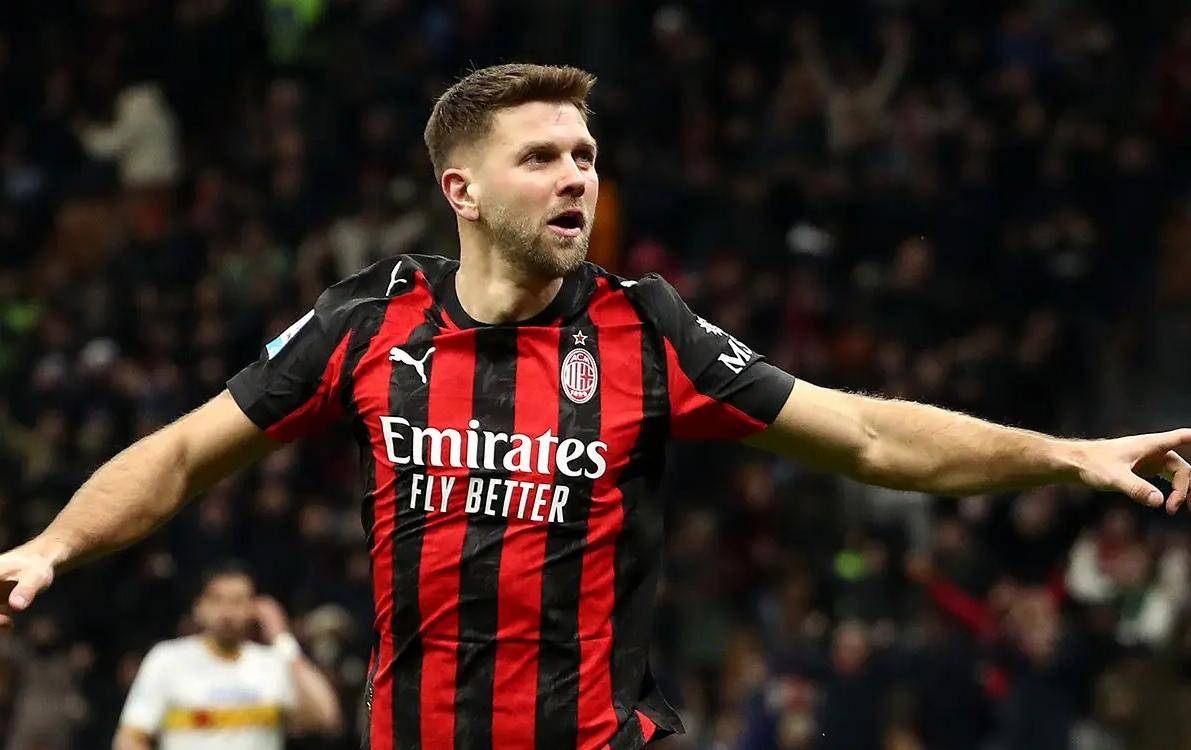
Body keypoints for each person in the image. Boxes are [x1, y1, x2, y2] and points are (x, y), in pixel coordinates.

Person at [0, 63, 1187, 749]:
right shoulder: (368, 321)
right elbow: (183, 454)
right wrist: (53, 544)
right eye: (542, 158)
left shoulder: (647, 328)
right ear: (462, 189)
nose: (576, 175)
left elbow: (869, 434)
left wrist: (1064, 454)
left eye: (585, 154)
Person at [112, 561, 342, 749]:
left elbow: (325, 717)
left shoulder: (272, 663)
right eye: (217, 600)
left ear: (253, 608)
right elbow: (130, 739)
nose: (227, 612)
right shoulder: (168, 660)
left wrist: (282, 639)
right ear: (199, 607)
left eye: (238, 601)